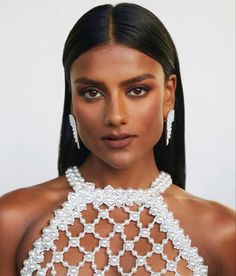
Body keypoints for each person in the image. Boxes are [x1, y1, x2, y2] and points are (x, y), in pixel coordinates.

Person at [0, 3, 235, 276]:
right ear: (72, 100)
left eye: (137, 90)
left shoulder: (223, 233)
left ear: (169, 94)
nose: (115, 116)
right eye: (92, 92)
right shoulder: (12, 221)